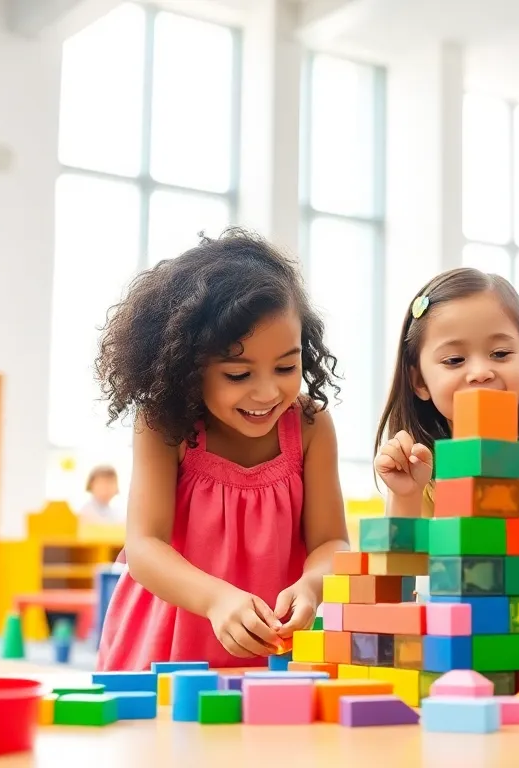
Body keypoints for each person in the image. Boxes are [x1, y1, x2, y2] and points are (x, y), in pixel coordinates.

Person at [94, 228, 349, 670]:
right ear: (188, 367)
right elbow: (144, 546)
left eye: (287, 366)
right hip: (169, 642)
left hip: (271, 646)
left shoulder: (309, 427)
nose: (268, 392)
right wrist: (215, 599)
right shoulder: (163, 424)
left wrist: (312, 586)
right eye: (238, 375)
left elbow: (332, 541)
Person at [375, 268, 519, 531]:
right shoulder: (422, 464)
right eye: (455, 360)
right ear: (420, 382)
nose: (481, 372)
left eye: (501, 353)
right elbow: (407, 567)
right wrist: (406, 495)